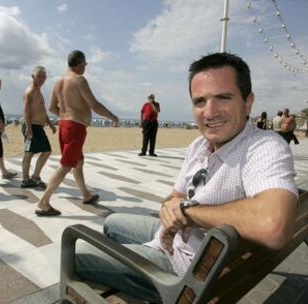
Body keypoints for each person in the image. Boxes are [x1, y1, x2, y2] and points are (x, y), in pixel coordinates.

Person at [74, 53, 298, 303]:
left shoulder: (263, 146)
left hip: (184, 271)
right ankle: (139, 253)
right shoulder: (199, 146)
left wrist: (188, 211)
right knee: (112, 223)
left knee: (77, 248)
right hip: (180, 240)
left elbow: (273, 225)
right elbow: (175, 197)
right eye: (200, 101)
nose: (209, 112)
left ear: (248, 102)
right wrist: (172, 210)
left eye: (223, 97)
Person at [35, 50, 119, 216]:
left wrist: (66, 116)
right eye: (85, 63)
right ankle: (44, 202)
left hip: (64, 125)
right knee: (66, 165)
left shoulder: (58, 82)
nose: (85, 67)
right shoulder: (79, 80)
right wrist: (112, 117)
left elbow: (52, 107)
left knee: (78, 161)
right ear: (80, 62)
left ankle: (86, 195)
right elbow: (94, 105)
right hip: (75, 127)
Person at [21, 66, 56, 189]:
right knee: (31, 153)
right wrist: (28, 127)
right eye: (39, 76)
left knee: (40, 151)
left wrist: (51, 124)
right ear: (33, 76)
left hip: (38, 127)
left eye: (43, 77)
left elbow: (42, 110)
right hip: (32, 126)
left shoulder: (38, 92)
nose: (41, 79)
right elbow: (26, 110)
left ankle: (34, 177)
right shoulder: (30, 91)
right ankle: (27, 179)